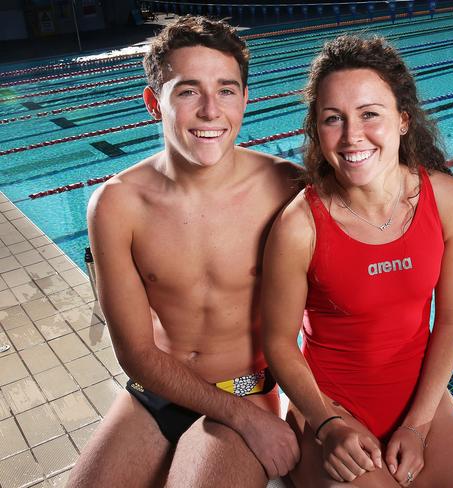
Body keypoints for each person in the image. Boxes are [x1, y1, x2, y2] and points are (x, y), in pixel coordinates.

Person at [262, 35, 453, 487]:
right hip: (330, 406)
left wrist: (418, 424)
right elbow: (278, 342)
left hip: (418, 400)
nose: (353, 135)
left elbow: (452, 321)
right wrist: (325, 423)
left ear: (402, 120)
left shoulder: (450, 201)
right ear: (318, 131)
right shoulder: (302, 225)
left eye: (369, 114)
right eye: (333, 119)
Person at [68, 16, 302, 488]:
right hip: (155, 394)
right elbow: (134, 351)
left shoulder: (286, 188)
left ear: (245, 98)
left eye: (227, 90)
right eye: (189, 91)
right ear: (156, 102)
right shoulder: (117, 204)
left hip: (246, 388)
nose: (211, 111)